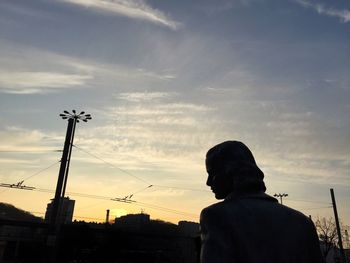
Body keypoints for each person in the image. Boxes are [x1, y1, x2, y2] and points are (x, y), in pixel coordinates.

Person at [200, 141, 323, 263]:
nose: (208, 182)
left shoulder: (217, 216)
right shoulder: (303, 222)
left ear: (231, 170)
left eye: (212, 174)